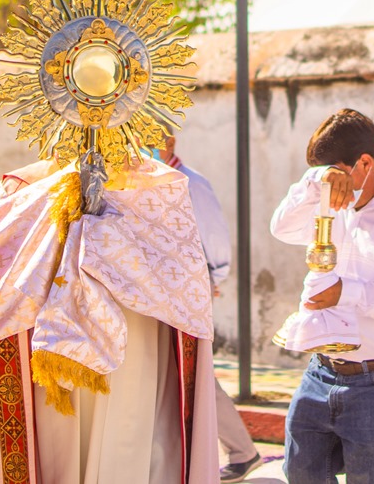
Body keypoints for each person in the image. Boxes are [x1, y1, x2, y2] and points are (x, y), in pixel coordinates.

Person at [0, 147, 220, 483]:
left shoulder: (160, 186)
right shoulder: (25, 189)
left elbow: (186, 279)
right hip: (49, 348)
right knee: (64, 447)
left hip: (137, 337)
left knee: (128, 437)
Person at [269, 109, 374, 484]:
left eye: (340, 174)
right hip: (321, 369)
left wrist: (346, 293)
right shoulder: (327, 197)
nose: (335, 186)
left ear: (364, 163)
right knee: (300, 472)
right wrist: (315, 180)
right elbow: (282, 227)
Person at [154, 132, 260, 483]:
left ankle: (243, 452)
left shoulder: (191, 184)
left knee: (195, 373)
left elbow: (213, 236)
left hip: (188, 292)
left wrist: (213, 278)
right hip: (160, 292)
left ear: (168, 141)